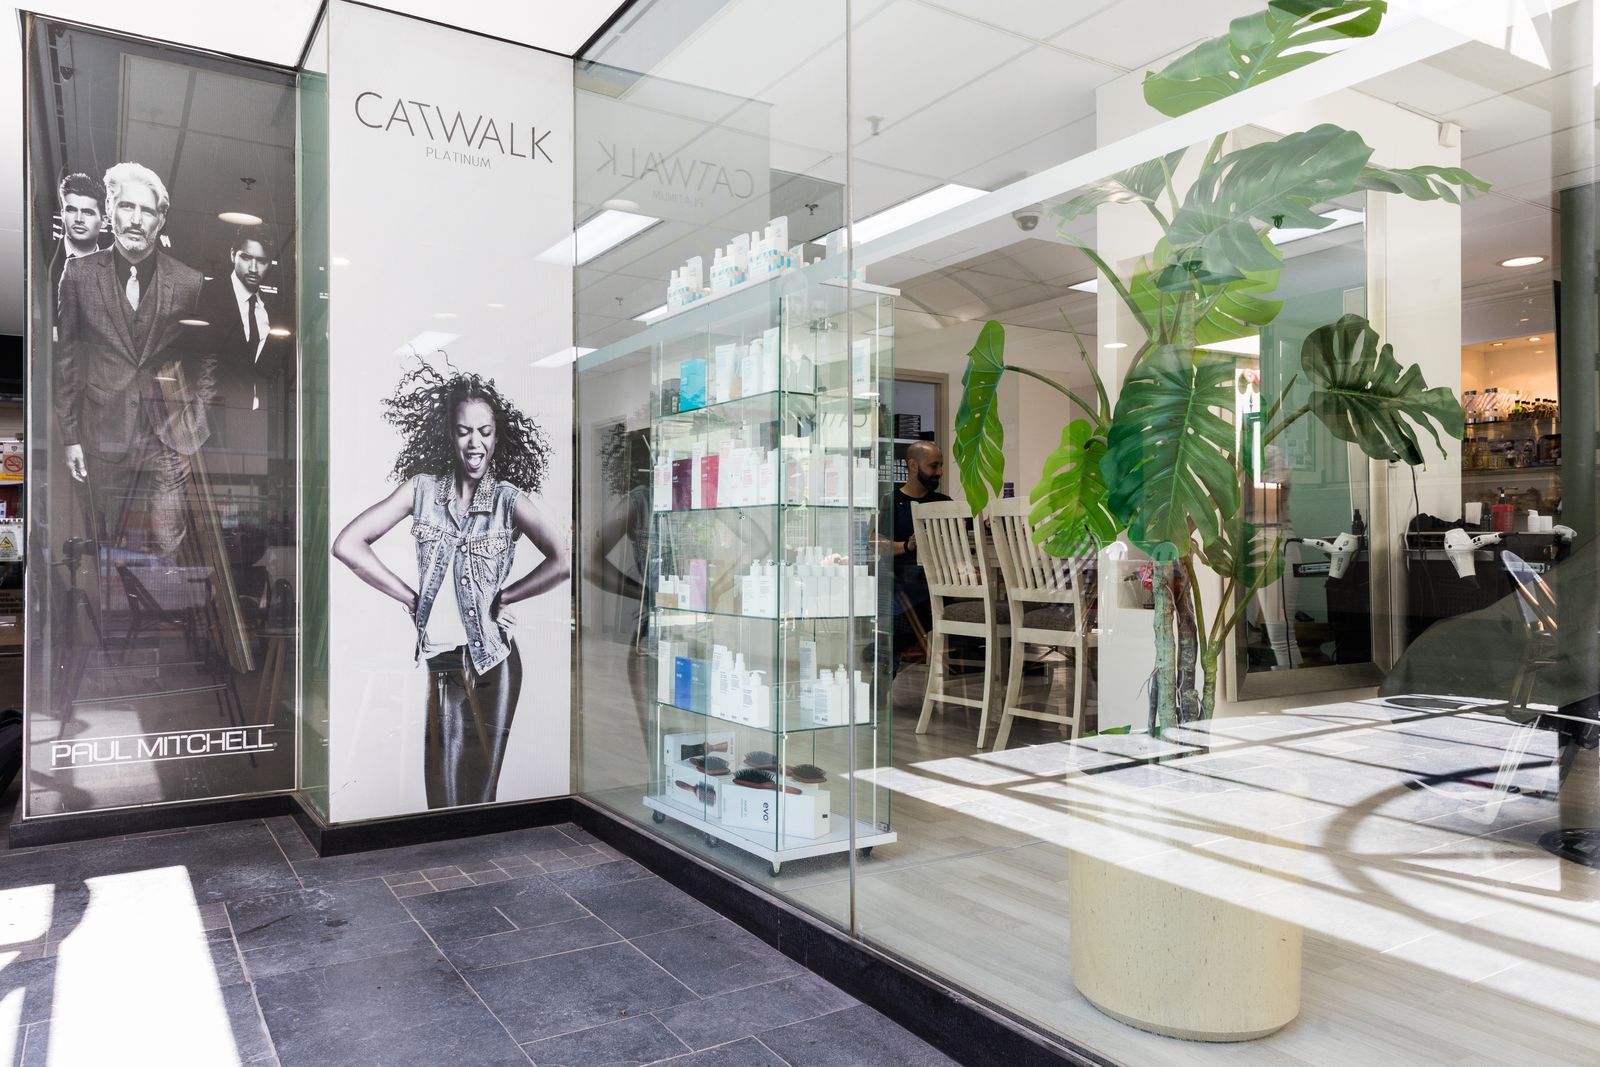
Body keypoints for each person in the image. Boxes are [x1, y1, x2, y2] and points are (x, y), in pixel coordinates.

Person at [332, 366, 569, 809]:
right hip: (442, 662)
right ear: (450, 435)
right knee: (441, 797)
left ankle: (485, 857)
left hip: (494, 663)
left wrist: (506, 596)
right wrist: (411, 598)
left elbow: (563, 562)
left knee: (480, 795)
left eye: (484, 432)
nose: (474, 443)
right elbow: (347, 544)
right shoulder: (421, 491)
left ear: (497, 438)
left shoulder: (507, 500)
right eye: (464, 432)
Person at [55, 161, 210, 559]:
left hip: (170, 434)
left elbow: (205, 358)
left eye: (147, 211)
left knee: (169, 538)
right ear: (111, 210)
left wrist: (199, 411)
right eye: (127, 206)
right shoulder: (78, 275)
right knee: (107, 537)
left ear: (161, 220)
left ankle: (169, 590)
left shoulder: (189, 283)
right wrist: (70, 437)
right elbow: (67, 359)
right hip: (104, 428)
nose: (137, 220)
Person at [880, 440, 951, 670]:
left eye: (941, 466)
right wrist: (908, 546)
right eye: (933, 466)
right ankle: (888, 652)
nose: (939, 472)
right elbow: (875, 543)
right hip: (903, 581)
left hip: (937, 582)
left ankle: (886, 651)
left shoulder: (943, 504)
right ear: (912, 466)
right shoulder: (891, 502)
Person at [48, 172, 107, 315]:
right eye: (71, 210)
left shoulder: (116, 266)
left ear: (104, 221)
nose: (79, 219)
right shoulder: (45, 259)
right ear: (62, 214)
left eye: (88, 212)